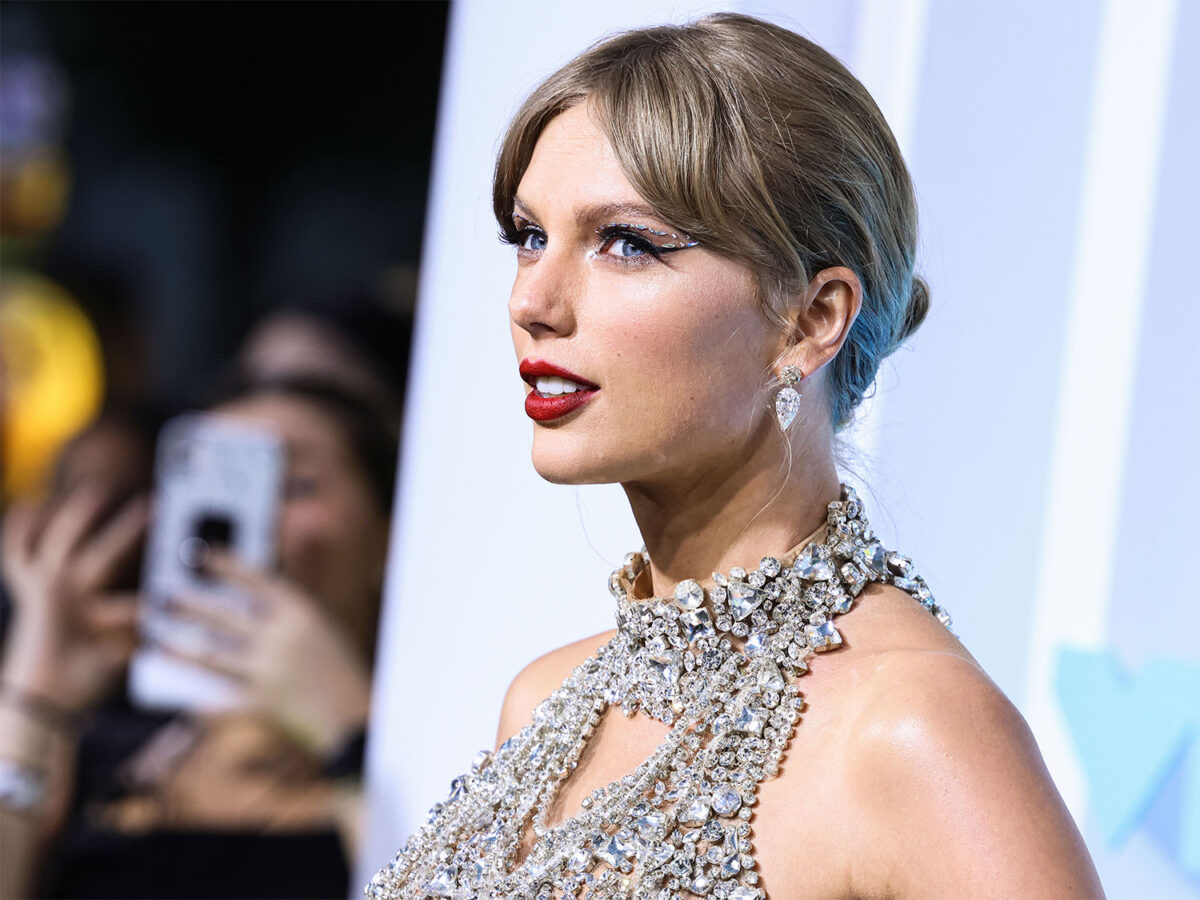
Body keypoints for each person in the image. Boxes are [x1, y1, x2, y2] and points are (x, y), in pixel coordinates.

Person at [366, 13, 1104, 900]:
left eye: (626, 243)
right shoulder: (545, 701)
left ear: (811, 320)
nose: (534, 301)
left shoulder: (911, 730)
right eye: (529, 236)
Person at [0, 374, 398, 899]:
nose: (255, 515)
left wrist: (346, 734)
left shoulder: (427, 767)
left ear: (387, 532)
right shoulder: (97, 759)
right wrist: (35, 698)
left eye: (297, 484)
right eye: (220, 480)